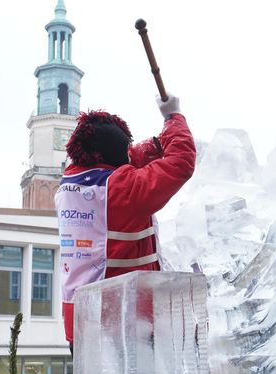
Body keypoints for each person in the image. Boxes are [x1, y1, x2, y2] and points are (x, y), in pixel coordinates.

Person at [55, 95, 195, 346]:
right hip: (124, 321)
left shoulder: (70, 181)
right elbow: (180, 163)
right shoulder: (123, 190)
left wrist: (155, 145)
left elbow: (121, 160)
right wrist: (173, 118)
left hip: (80, 319)